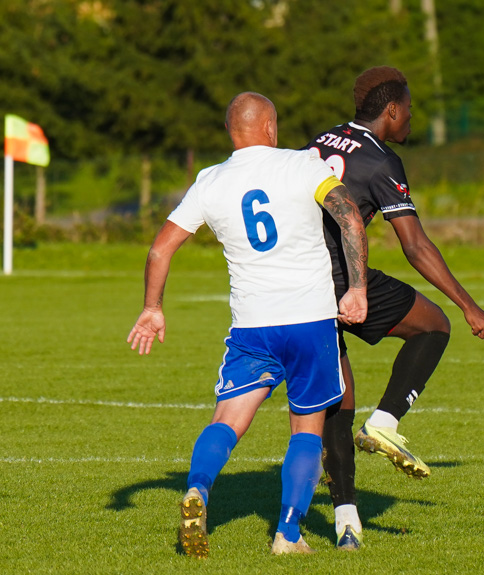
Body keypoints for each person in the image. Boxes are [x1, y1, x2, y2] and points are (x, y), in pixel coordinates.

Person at [127, 92, 369, 558]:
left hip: (252, 327)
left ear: (231, 131)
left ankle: (198, 489)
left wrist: (152, 307)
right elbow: (349, 216)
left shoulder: (210, 180)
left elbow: (160, 249)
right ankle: (289, 535)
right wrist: (356, 287)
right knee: (306, 429)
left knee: (228, 419)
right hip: (309, 321)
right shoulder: (302, 166)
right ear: (271, 128)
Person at [304, 66, 484, 551]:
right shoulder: (382, 160)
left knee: (338, 398)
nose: (411, 118)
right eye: (409, 110)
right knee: (433, 325)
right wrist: (470, 306)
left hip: (296, 284)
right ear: (391, 110)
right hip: (341, 280)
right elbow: (415, 246)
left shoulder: (321, 139)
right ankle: (386, 423)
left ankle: (347, 523)